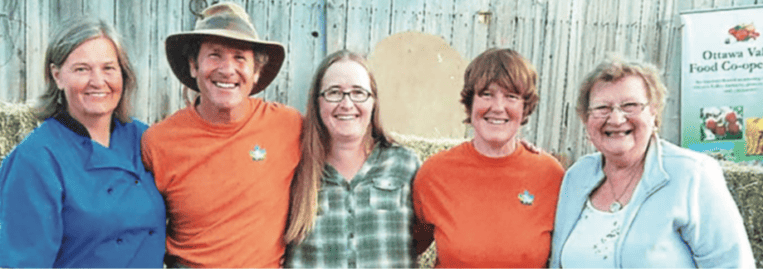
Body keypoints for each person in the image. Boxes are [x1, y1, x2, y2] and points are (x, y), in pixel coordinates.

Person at [549, 56, 755, 268]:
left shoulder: (692, 174)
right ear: (586, 118)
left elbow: (732, 264)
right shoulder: (577, 177)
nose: (616, 119)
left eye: (630, 105)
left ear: (653, 112)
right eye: (602, 108)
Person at [140, 2, 302, 267]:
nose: (227, 70)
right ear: (194, 66)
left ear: (256, 71)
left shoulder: (289, 125)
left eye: (240, 57)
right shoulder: (158, 142)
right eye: (214, 55)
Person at [0, 18, 165, 267]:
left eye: (108, 68)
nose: (98, 81)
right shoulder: (36, 159)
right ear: (57, 76)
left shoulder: (144, 138)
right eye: (81, 69)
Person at [412, 48, 565, 268]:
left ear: (525, 107)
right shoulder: (435, 173)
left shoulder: (550, 174)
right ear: (470, 102)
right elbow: (403, 248)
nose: (498, 107)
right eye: (486, 94)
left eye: (511, 96)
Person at [283, 50, 421, 268]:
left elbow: (424, 235)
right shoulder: (293, 167)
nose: (347, 104)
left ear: (373, 101)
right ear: (317, 102)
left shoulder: (405, 164)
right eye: (334, 92)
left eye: (358, 93)